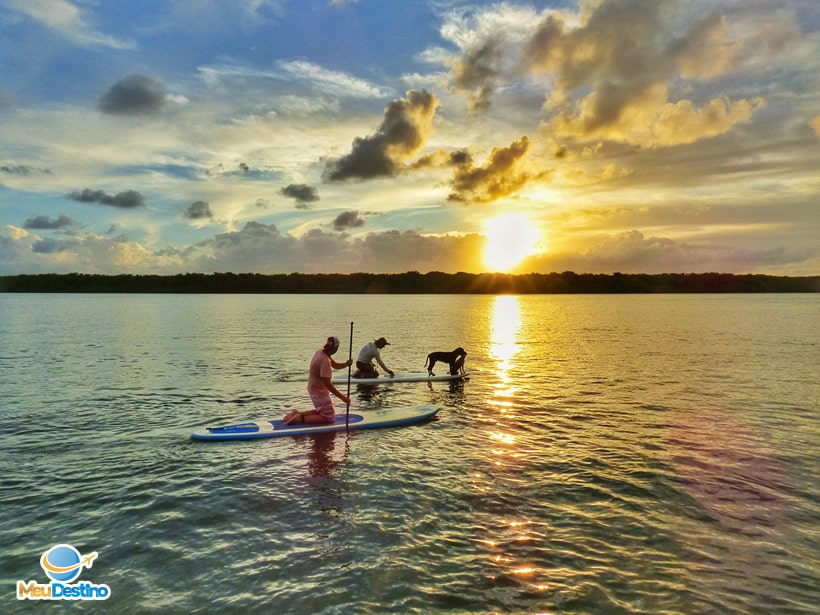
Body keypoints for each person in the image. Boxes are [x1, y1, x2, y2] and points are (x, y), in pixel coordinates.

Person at [283, 335, 352, 425]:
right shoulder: (325, 361)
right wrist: (343, 398)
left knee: (321, 411)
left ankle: (298, 414)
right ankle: (299, 419)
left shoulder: (321, 352)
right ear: (336, 348)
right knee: (328, 417)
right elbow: (328, 384)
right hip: (319, 392)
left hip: (313, 388)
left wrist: (346, 364)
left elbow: (334, 365)